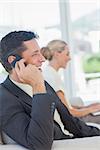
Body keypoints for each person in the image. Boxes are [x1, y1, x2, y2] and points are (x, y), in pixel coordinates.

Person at [0, 31, 100, 150]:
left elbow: (69, 120)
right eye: (35, 54)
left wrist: (96, 132)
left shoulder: (42, 81)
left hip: (73, 137)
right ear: (14, 61)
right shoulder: (4, 97)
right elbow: (39, 144)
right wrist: (38, 87)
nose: (42, 59)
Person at [41, 40, 100, 124]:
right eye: (67, 54)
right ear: (57, 54)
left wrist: (88, 107)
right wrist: (92, 109)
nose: (69, 58)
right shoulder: (50, 77)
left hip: (74, 118)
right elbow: (69, 112)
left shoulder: (51, 73)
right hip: (74, 121)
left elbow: (66, 106)